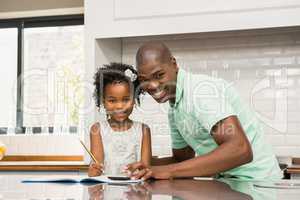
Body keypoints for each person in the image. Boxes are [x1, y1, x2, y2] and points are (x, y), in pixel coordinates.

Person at [125, 42, 282, 181]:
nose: (152, 85)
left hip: (257, 182)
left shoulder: (200, 91)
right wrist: (140, 164)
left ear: (174, 64)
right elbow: (182, 160)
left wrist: (165, 171)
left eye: (159, 75)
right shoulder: (175, 107)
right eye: (144, 79)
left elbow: (240, 150)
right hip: (231, 182)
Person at [88, 63, 152, 177]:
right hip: (107, 192)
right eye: (112, 101)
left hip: (135, 192)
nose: (119, 106)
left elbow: (146, 170)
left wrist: (141, 170)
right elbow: (97, 168)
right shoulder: (97, 130)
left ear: (134, 99)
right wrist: (94, 171)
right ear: (103, 101)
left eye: (126, 99)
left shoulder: (143, 130)